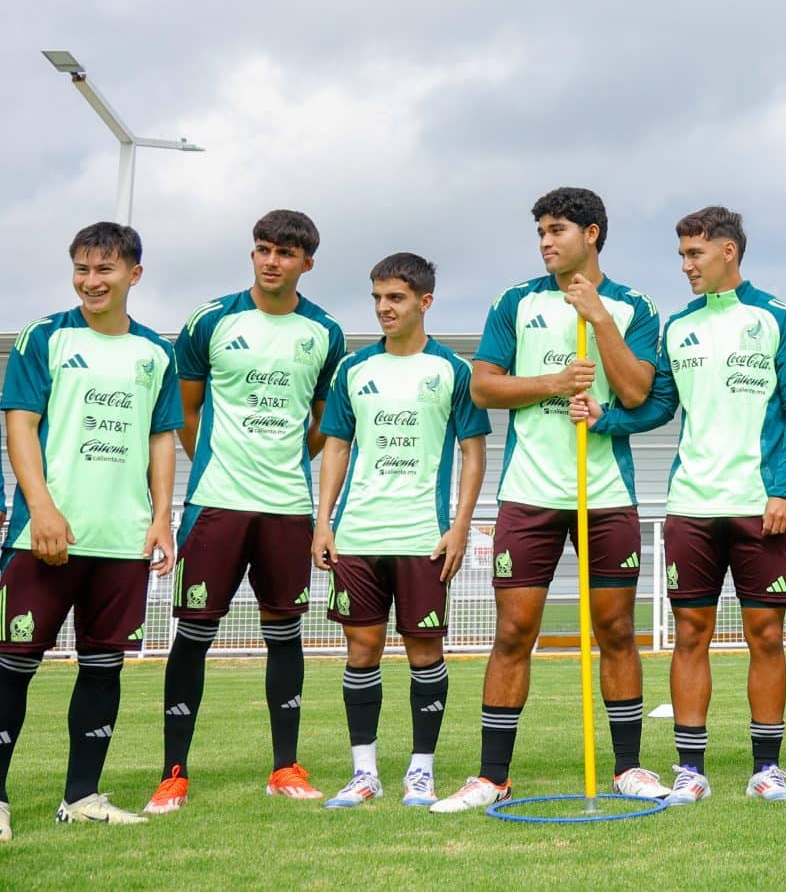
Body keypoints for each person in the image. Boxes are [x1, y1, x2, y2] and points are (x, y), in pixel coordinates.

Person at [433, 188, 664, 813]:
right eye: (540, 231)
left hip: (606, 494)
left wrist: (600, 319)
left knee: (616, 629)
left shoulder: (634, 305)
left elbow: (638, 393)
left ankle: (629, 768)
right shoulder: (516, 302)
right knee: (514, 631)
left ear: (591, 234)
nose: (545, 241)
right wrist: (554, 383)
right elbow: (483, 387)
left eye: (557, 229)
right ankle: (493, 776)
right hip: (529, 493)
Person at [586, 206, 786, 805]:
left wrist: (784, 490)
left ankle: (767, 768)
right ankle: (690, 769)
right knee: (690, 633)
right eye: (682, 255)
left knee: (766, 635)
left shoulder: (776, 317)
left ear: (728, 251)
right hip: (690, 506)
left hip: (758, 504)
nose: (685, 265)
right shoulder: (679, 325)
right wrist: (606, 419)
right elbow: (659, 405)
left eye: (695, 254)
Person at [148, 210, 347, 812]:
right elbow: (185, 411)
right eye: (263, 249)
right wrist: (216, 463)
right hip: (217, 504)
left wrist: (284, 457)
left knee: (285, 636)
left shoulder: (325, 332)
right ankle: (173, 773)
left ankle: (285, 767)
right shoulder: (211, 319)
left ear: (307, 262)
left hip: (287, 507)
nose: (271, 261)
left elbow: (324, 423)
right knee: (193, 636)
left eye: (285, 253)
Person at [0, 223, 180, 837]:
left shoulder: (155, 352)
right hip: (47, 536)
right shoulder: (45, 336)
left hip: (122, 540)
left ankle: (81, 797)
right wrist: (42, 508)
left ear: (134, 274)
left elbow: (161, 438)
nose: (91, 280)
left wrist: (161, 517)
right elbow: (21, 425)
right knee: (12, 664)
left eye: (104, 269)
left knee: (104, 668)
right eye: (82, 268)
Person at [311, 253, 489, 810]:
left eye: (396, 298)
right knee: (361, 649)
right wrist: (323, 521)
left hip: (423, 538)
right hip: (358, 537)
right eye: (377, 298)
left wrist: (460, 526)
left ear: (424, 301)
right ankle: (364, 773)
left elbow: (473, 452)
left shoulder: (453, 370)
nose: (384, 308)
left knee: (424, 653)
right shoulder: (353, 369)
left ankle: (420, 772)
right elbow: (336, 446)